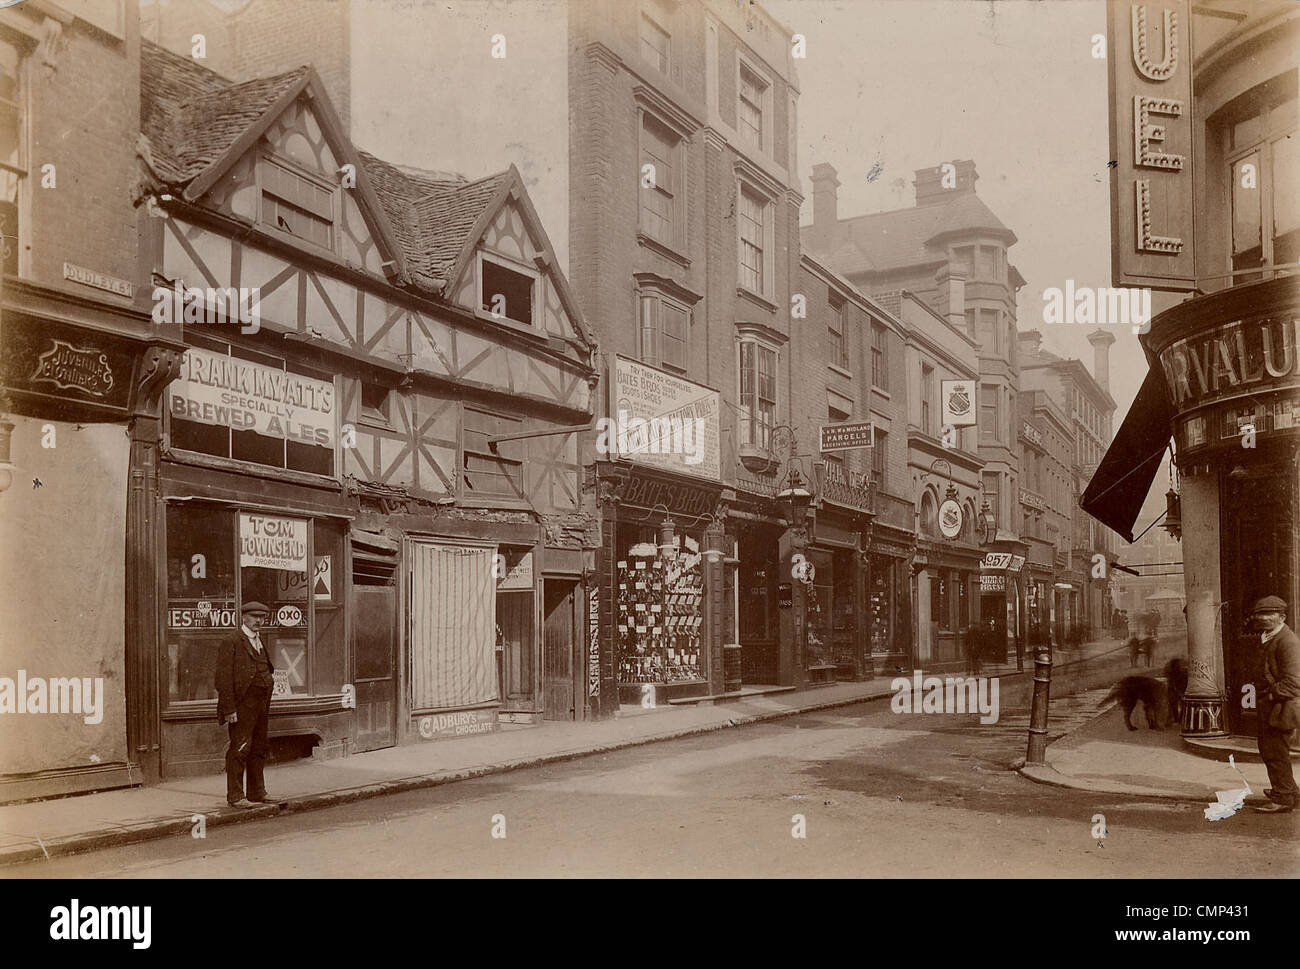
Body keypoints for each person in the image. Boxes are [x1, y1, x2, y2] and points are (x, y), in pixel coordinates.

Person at [215, 601, 276, 809]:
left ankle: (257, 792)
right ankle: (235, 795)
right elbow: (223, 679)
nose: (258, 620)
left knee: (259, 748)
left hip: (260, 706)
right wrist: (229, 709)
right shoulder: (231, 641)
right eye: (254, 617)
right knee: (240, 748)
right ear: (244, 618)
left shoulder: (259, 640)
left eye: (262, 617)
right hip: (241, 706)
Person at [1249, 596, 1299, 814]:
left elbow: (1295, 682)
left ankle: (1282, 798)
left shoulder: (1287, 641)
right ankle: (1290, 791)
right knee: (1273, 750)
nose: (1263, 618)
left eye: (1269, 614)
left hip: (1280, 706)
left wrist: (1269, 696)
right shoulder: (1268, 636)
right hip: (1271, 704)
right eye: (1260, 614)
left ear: (1282, 617)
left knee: (1274, 751)